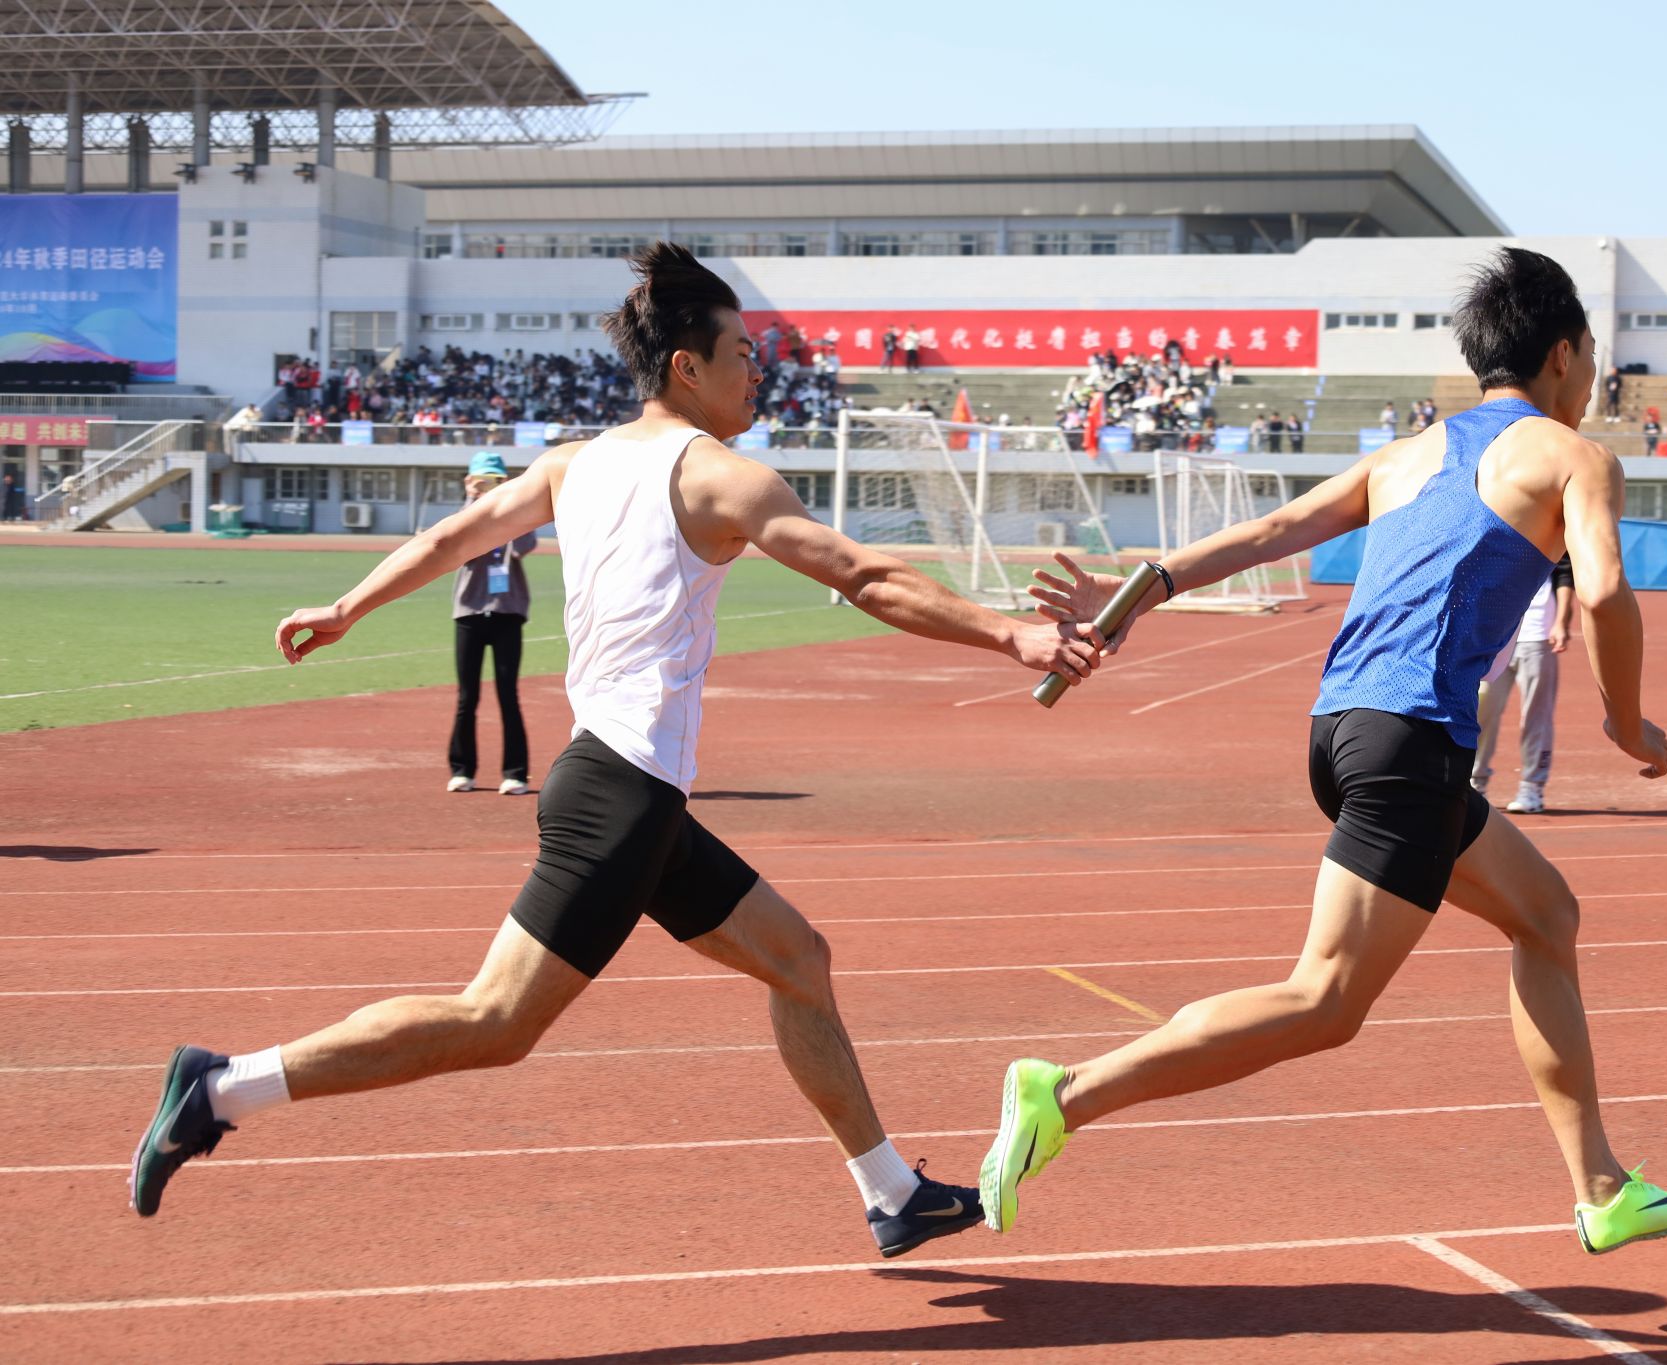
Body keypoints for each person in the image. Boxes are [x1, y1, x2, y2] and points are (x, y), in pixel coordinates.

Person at [129, 243, 1103, 1261]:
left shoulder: (572, 463)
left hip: (627, 788)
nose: (756, 372)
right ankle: (221, 1087)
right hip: (620, 797)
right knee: (494, 1021)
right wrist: (1012, 634)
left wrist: (345, 607)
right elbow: (863, 576)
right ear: (687, 365)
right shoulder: (720, 478)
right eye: (741, 353)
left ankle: (891, 1191)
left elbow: (454, 537)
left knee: (797, 960)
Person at [985, 246, 1667, 1257]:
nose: (1591, 380)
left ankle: (1601, 1188)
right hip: (1408, 741)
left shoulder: (1406, 454)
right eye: (1590, 357)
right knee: (1322, 1001)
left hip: (1346, 731)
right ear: (1562, 354)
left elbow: (1274, 528)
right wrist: (1626, 725)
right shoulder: (1570, 455)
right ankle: (1062, 1094)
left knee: (1545, 914)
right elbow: (1602, 592)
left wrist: (1138, 589)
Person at [446, 452, 537, 796]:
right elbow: (456, 544)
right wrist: (472, 500)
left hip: (507, 612)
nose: (488, 486)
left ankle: (515, 773)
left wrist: (510, 502)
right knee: (466, 697)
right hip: (469, 613)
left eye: (494, 480)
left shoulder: (513, 515)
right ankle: (462, 770)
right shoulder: (466, 514)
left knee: (508, 695)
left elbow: (525, 545)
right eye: (482, 480)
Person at [1472, 556, 1575, 814]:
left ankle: (1532, 786)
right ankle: (1474, 783)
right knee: (1481, 709)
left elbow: (1565, 574)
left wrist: (1561, 621)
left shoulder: (1551, 535)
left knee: (1536, 715)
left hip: (1537, 635)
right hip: (1495, 637)